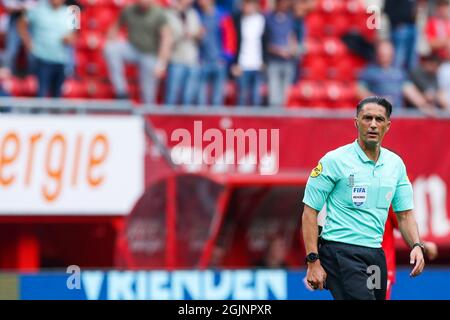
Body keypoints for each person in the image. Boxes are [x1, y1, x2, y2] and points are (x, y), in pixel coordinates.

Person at [302, 96, 426, 300]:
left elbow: (404, 215)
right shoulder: (334, 161)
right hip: (340, 252)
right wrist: (313, 260)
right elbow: (309, 212)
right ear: (356, 122)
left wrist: (416, 246)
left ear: (388, 125)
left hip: (375, 254)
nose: (373, 125)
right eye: (367, 118)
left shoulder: (395, 165)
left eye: (379, 119)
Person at [103, 0, 172, 104]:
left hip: (150, 54)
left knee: (148, 95)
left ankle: (148, 114)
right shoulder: (129, 9)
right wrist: (110, 38)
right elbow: (115, 27)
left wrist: (161, 64)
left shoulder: (159, 13)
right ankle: (122, 92)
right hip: (132, 49)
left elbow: (166, 38)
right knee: (110, 49)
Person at [358, 40, 437, 116]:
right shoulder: (369, 72)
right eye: (383, 55)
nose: (386, 58)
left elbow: (408, 89)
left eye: (389, 55)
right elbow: (359, 91)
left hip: (397, 116)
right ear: (377, 54)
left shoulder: (399, 72)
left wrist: (424, 105)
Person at [17, 0, 75, 98]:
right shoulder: (37, 9)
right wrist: (28, 42)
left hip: (61, 59)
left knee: (58, 94)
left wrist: (69, 39)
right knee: (42, 92)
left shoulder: (70, 12)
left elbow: (74, 35)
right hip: (42, 58)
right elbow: (21, 24)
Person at [383, 209, 438, 299]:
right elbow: (404, 219)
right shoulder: (384, 197)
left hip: (378, 267)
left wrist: (420, 245)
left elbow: (404, 221)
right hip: (378, 266)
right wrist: (425, 246)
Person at [196, 0, 236, 106]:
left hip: (219, 62)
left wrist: (226, 58)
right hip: (202, 62)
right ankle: (201, 122)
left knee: (217, 99)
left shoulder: (222, 16)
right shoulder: (197, 15)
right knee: (201, 99)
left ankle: (213, 122)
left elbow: (230, 37)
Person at [165, 0, 202, 106]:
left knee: (189, 97)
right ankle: (168, 122)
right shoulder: (169, 14)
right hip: (176, 59)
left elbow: (198, 32)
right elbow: (169, 36)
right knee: (172, 95)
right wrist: (183, 34)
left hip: (192, 59)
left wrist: (196, 34)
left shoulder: (193, 13)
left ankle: (189, 123)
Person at [231, 0, 266, 107]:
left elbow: (265, 42)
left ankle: (256, 123)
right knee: (241, 96)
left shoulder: (261, 20)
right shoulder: (237, 20)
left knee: (256, 97)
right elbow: (233, 43)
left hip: (257, 64)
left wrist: (264, 60)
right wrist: (235, 63)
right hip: (242, 65)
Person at [265, 0, 298, 107]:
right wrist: (279, 50)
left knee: (285, 96)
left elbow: (292, 36)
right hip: (274, 61)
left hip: (288, 61)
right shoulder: (268, 18)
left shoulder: (290, 18)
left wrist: (293, 48)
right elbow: (265, 42)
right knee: (274, 95)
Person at [384, 0, 418, 70]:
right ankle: (396, 78)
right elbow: (387, 9)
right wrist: (397, 22)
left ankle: (410, 78)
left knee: (412, 58)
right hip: (399, 28)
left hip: (412, 26)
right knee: (398, 58)